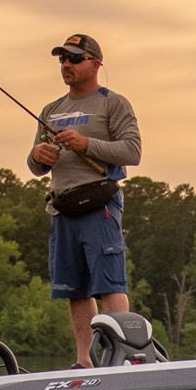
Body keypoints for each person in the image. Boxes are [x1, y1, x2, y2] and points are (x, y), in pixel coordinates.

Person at [26, 32, 143, 365]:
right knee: (73, 290)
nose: (66, 64)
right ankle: (83, 360)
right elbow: (34, 167)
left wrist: (85, 144)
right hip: (62, 208)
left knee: (109, 284)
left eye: (74, 59)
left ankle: (122, 356)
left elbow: (132, 152)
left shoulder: (112, 103)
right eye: (62, 59)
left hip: (100, 205)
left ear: (95, 63)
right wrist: (39, 155)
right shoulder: (51, 109)